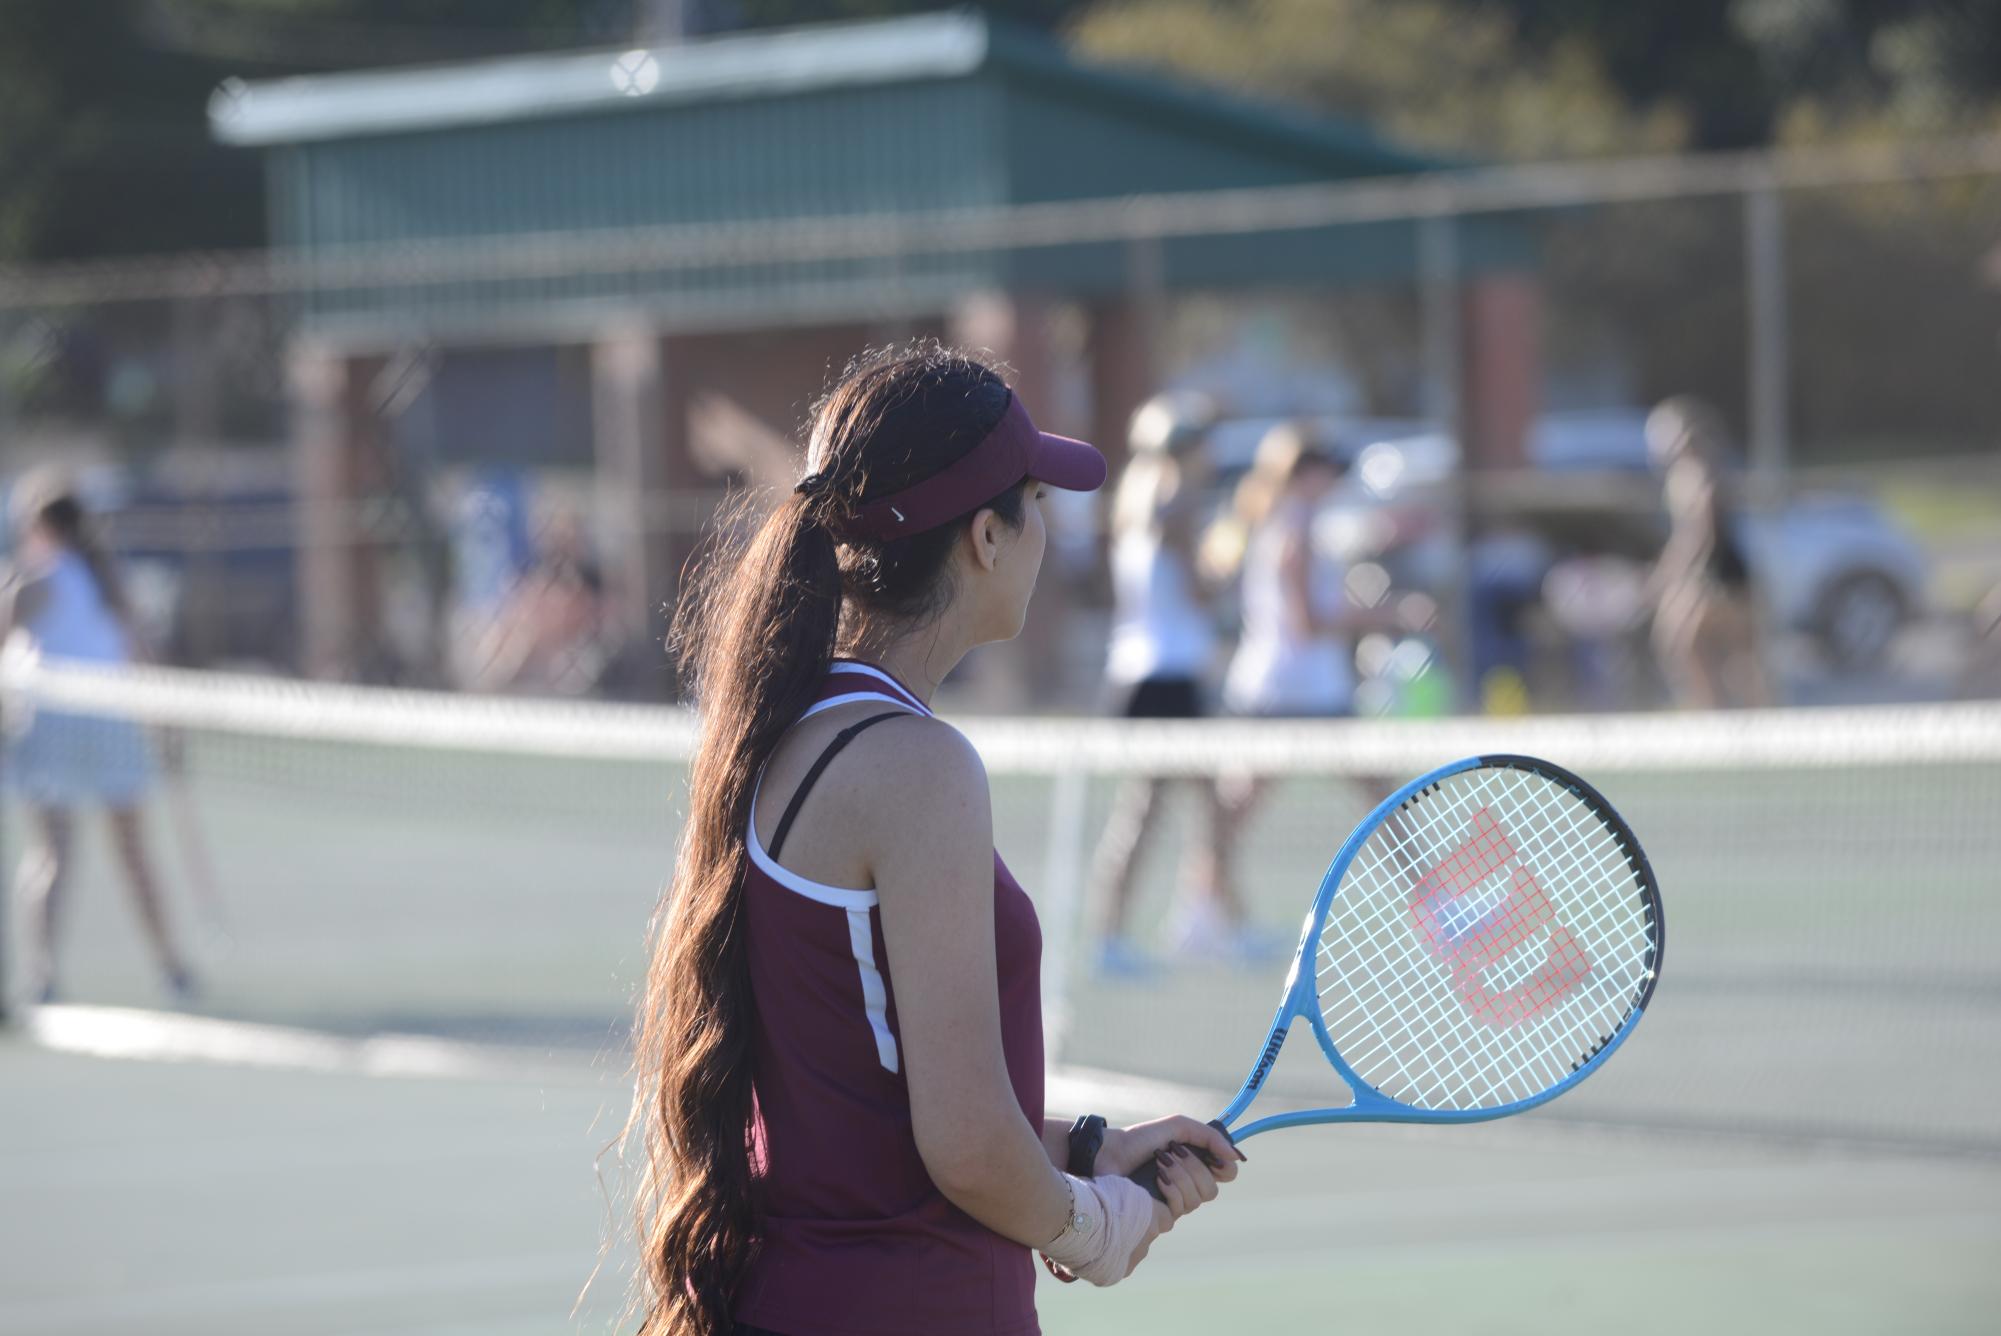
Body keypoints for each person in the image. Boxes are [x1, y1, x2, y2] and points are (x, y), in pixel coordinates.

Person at [631, 345, 1240, 1336]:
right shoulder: (918, 768)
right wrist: (1095, 1227)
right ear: (985, 539)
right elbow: (961, 1144)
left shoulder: (787, 730)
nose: (1049, 531)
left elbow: (867, 1104)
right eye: (1035, 502)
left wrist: (1086, 1148)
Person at [2, 469, 194, 1005]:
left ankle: (46, 974)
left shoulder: (42, 580)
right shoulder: (100, 582)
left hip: (67, 723)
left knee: (60, 852)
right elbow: (145, 656)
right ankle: (168, 965)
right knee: (105, 852)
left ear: (41, 523)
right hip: (85, 720)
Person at [1198, 422, 1389, 941]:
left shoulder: (1281, 521)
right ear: (1305, 472)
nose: (1333, 478)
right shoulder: (1295, 526)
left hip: (1287, 689)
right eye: (1325, 467)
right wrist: (1386, 615)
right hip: (1293, 693)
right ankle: (1203, 916)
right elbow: (1307, 623)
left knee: (1238, 808)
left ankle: (1203, 914)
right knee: (1384, 797)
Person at [1085, 393, 1228, 975]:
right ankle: (1122, 936)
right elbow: (1201, 591)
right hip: (1167, 677)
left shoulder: (1135, 499)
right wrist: (1223, 571)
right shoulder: (1180, 502)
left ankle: (1201, 920)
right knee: (1165, 811)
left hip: (1140, 673)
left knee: (1205, 805)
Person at [1643, 397, 1772, 709]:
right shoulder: (1683, 476)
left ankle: (1737, 715)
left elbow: (1701, 533)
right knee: (1689, 645)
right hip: (1710, 575)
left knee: (1718, 649)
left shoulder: (1698, 474)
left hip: (1722, 575)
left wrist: (1675, 575)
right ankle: (1711, 711)